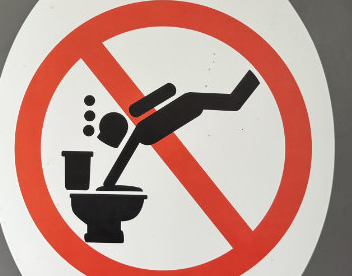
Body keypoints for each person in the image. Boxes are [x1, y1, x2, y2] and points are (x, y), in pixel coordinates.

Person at [101, 70, 259, 189]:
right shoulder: (142, 131)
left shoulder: (142, 131)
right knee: (232, 102)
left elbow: (169, 91)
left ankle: (257, 73)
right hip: (187, 102)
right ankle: (256, 73)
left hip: (188, 102)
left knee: (232, 102)